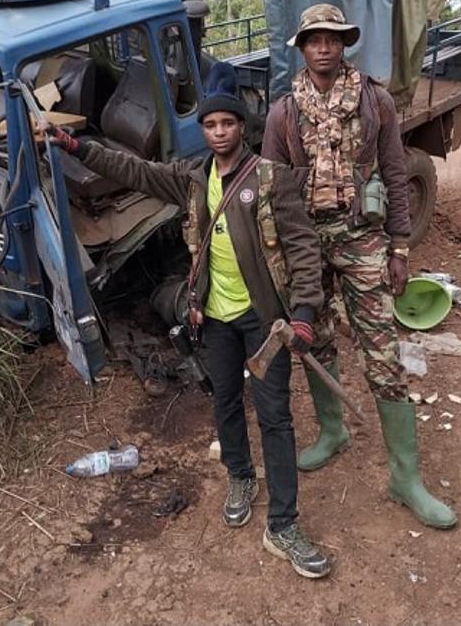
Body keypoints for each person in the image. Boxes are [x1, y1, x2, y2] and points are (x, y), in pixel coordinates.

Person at [46, 62, 333, 578]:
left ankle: (283, 524)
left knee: (276, 419)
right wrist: (76, 148)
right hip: (215, 320)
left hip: (266, 325)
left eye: (228, 124)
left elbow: (304, 249)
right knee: (224, 402)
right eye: (210, 125)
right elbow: (134, 170)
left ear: (242, 128)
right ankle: (240, 476)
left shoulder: (272, 180)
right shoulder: (192, 177)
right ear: (203, 130)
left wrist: (306, 312)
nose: (219, 132)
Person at [261, 4, 457, 529]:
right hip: (307, 244)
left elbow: (395, 174)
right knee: (316, 339)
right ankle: (333, 431)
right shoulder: (284, 111)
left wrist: (399, 247)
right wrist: (279, 256)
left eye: (332, 38)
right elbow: (273, 191)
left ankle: (405, 477)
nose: (323, 47)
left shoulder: (374, 101)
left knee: (383, 352)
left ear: (344, 43)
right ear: (301, 48)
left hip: (364, 238)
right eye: (313, 39)